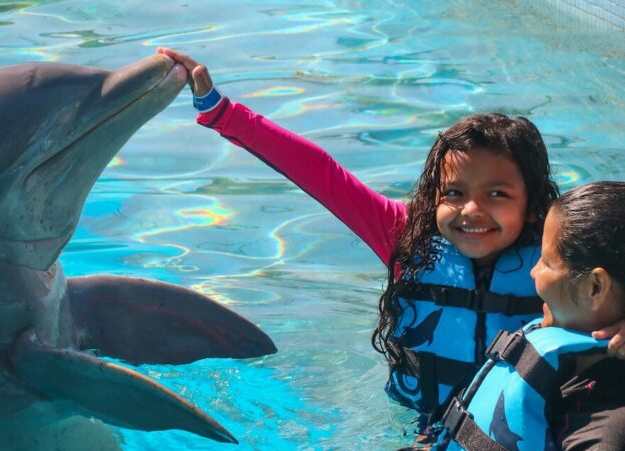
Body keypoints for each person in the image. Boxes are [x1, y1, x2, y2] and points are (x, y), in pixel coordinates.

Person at [158, 47, 559, 420]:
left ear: (532, 201)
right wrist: (220, 111)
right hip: (425, 439)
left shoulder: (560, 253)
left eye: (497, 194)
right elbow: (320, 173)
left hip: (522, 444)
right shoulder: (408, 239)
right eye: (453, 192)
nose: (472, 210)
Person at [436, 182, 625, 451]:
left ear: (594, 287)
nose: (534, 272)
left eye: (547, 263)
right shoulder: (567, 372)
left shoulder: (605, 443)